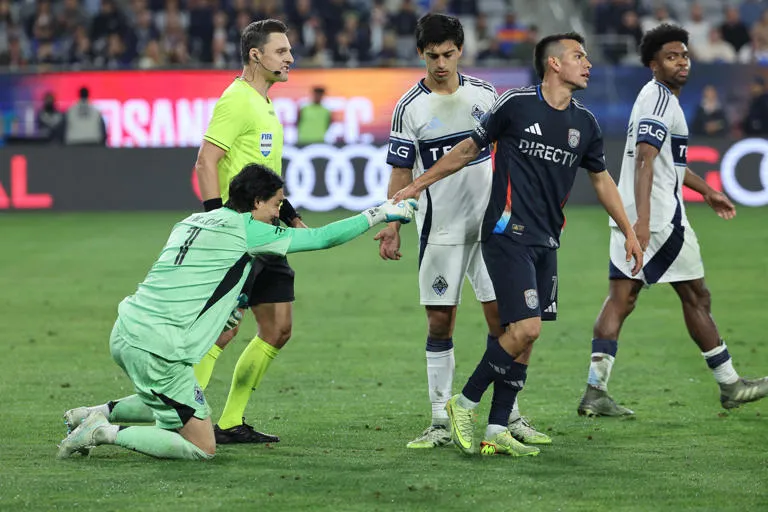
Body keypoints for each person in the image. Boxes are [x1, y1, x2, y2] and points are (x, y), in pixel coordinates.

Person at [57, 164, 417, 461]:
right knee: (201, 445)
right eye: (276, 205)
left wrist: (229, 306)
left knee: (172, 398)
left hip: (126, 329)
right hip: (158, 347)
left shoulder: (192, 221)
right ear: (257, 201)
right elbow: (321, 238)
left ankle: (97, 411)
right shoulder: (249, 231)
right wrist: (378, 213)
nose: (279, 214)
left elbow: (195, 277)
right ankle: (102, 432)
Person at [393, 32, 643, 456]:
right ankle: (463, 402)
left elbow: (601, 180)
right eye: (578, 56)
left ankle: (496, 429)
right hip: (507, 234)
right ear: (554, 64)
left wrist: (630, 231)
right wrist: (416, 185)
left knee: (525, 335)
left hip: (548, 240)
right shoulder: (514, 104)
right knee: (524, 327)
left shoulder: (586, 124)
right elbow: (467, 149)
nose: (588, 64)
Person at [377, 13, 550, 451]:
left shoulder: (485, 94)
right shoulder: (409, 107)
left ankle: (506, 414)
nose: (440, 63)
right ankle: (439, 420)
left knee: (505, 322)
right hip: (441, 230)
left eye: (448, 54)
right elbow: (400, 169)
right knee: (441, 321)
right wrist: (393, 225)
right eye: (432, 55)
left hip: (492, 231)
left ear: (461, 51)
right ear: (421, 54)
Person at [576, 24, 768, 417]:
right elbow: (646, 160)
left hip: (626, 214)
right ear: (652, 64)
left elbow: (668, 163)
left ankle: (595, 391)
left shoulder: (653, 98)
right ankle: (730, 384)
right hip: (660, 220)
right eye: (671, 57)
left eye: (684, 55)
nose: (681, 62)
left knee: (621, 298)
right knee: (696, 296)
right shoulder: (661, 102)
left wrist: (706, 189)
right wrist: (645, 224)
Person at [192, 19, 303, 445]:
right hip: (238, 233)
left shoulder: (264, 103)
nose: (290, 58)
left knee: (278, 327)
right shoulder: (236, 100)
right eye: (282, 51)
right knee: (223, 329)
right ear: (256, 55)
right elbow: (206, 161)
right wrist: (215, 220)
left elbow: (259, 174)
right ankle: (187, 415)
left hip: (268, 232)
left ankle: (231, 421)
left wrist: (288, 211)